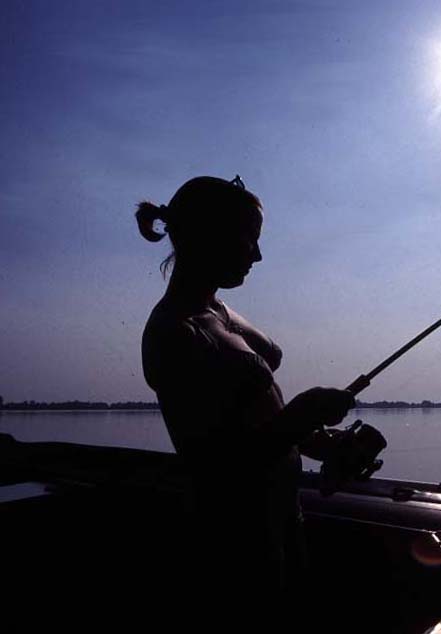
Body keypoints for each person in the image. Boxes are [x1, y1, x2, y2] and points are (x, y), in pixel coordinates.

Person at [136, 175, 353, 599]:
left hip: (284, 516)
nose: (257, 254)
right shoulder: (173, 332)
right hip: (235, 540)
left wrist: (317, 441)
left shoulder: (220, 310)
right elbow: (215, 464)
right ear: (207, 236)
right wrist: (299, 416)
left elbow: (250, 420)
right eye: (248, 239)